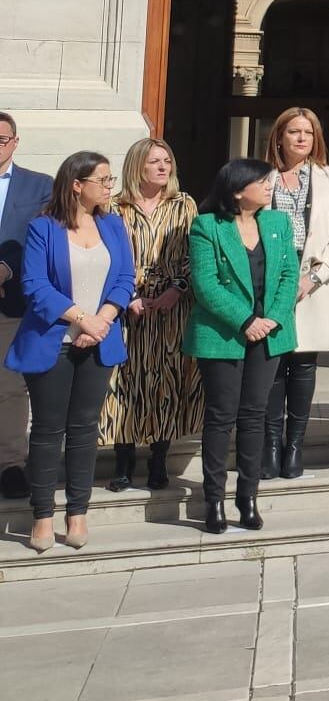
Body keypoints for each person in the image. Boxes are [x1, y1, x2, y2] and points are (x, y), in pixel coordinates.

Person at [5, 152, 134, 550]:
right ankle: (42, 515)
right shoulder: (43, 227)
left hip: (99, 341)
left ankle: (77, 513)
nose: (109, 187)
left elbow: (125, 277)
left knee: (83, 431)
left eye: (111, 180)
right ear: (77, 184)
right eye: (103, 180)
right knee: (47, 431)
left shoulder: (113, 225)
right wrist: (81, 319)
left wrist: (103, 321)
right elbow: (35, 286)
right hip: (53, 342)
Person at [186, 159, 299, 535]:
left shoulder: (278, 223)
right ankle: (213, 499)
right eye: (262, 182)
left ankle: (247, 496)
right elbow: (206, 284)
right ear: (237, 190)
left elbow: (288, 274)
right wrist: (245, 320)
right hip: (223, 335)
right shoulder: (207, 226)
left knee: (256, 415)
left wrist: (272, 319)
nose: (270, 187)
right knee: (221, 416)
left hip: (270, 334)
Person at [102, 139, 201, 493]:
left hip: (172, 308)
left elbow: (195, 253)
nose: (164, 167)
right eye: (155, 161)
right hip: (126, 306)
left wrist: (176, 288)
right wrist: (127, 295)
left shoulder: (183, 204)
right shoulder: (115, 207)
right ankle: (123, 458)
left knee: (165, 379)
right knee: (124, 381)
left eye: (167, 161)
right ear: (137, 167)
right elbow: (109, 255)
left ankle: (159, 457)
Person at [262, 109, 329, 480]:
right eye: (294, 132)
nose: (302, 139)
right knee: (272, 363)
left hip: (312, 284)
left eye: (309, 133)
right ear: (279, 136)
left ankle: (295, 444)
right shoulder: (261, 177)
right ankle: (270, 444)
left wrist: (315, 277)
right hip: (269, 283)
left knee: (302, 364)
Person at [0, 113, 59, 501]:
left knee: (8, 389)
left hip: (12, 301)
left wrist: (5, 269)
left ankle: (9, 465)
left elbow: (39, 238)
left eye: (2, 139)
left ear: (15, 142)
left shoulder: (39, 186)